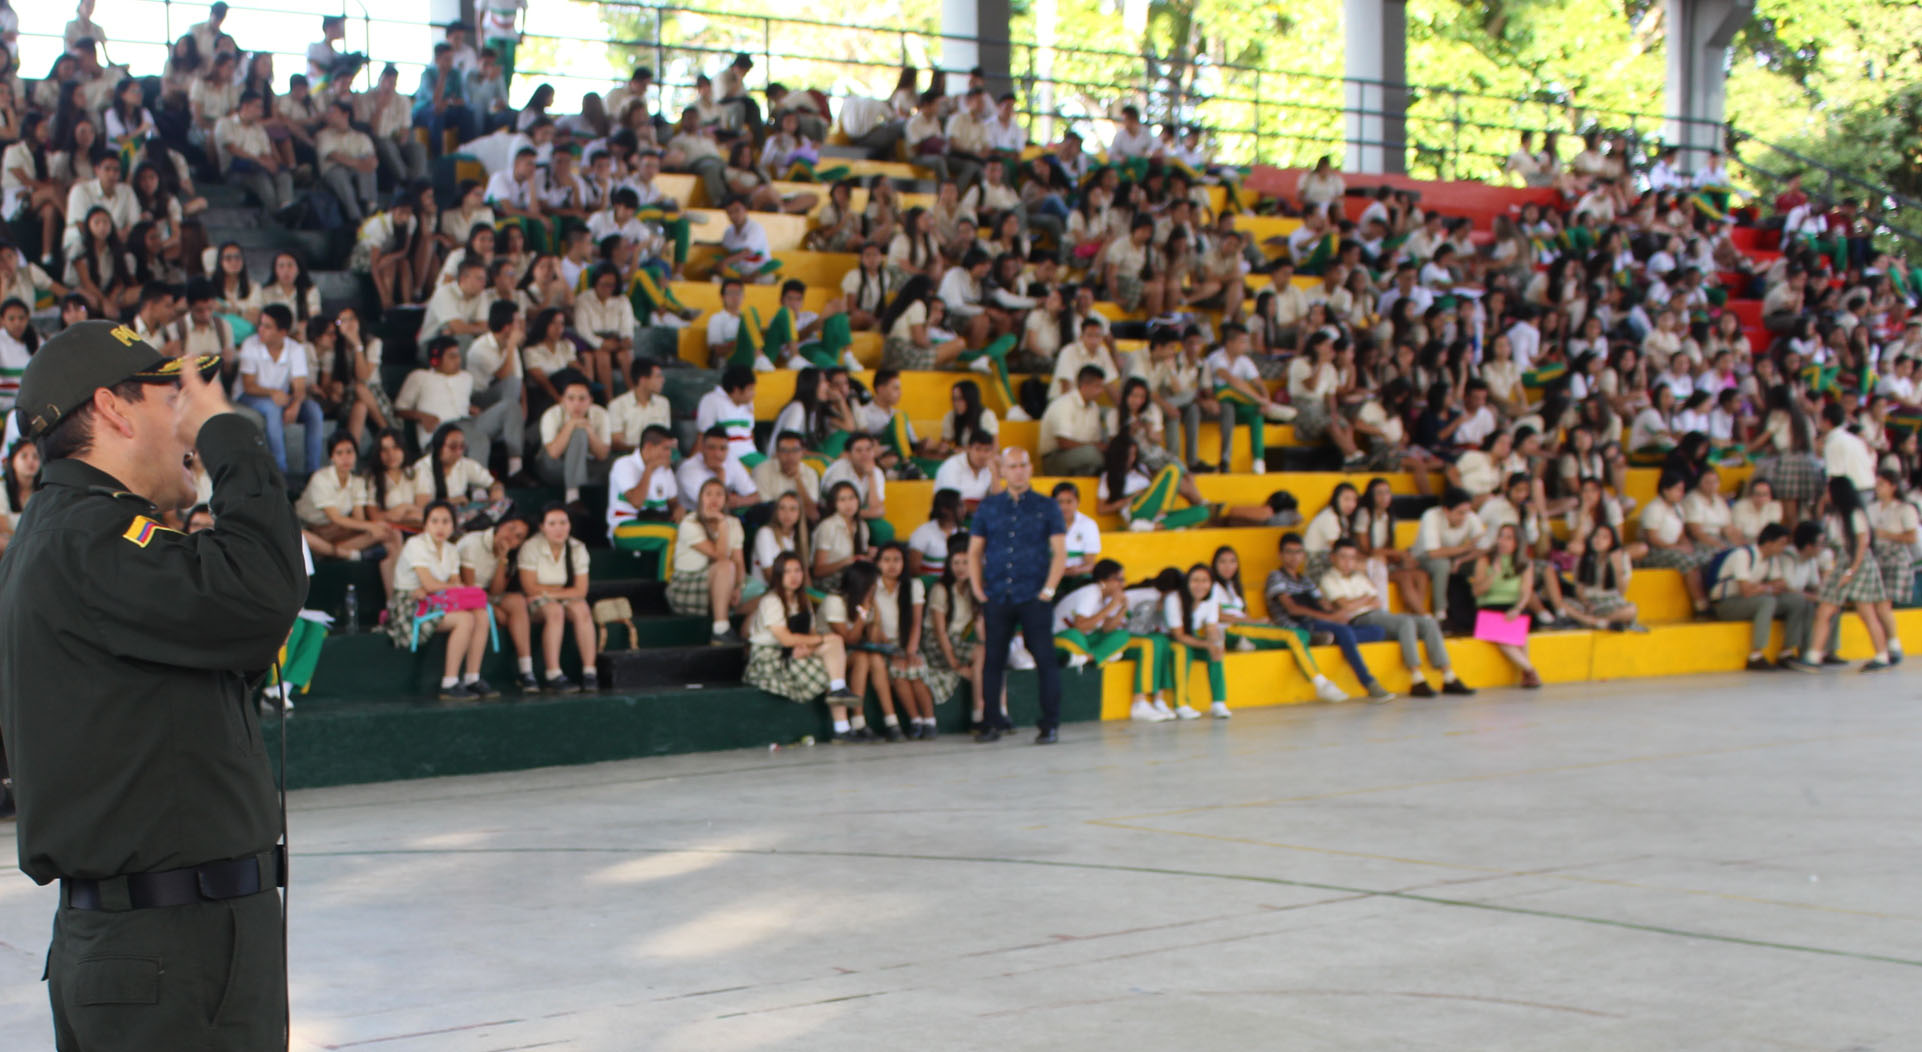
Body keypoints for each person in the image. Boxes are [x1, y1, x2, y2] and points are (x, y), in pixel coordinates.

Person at [0, 323, 302, 1048]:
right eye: (172, 396)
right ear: (112, 409)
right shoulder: (93, 539)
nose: (185, 420)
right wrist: (230, 435)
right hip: (173, 951)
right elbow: (263, 594)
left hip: (153, 945)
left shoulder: (66, 536)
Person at [966, 446, 1067, 744]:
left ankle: (1050, 723)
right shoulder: (989, 507)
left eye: (1023, 465)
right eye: (1012, 466)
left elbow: (1059, 552)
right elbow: (974, 551)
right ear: (1003, 470)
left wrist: (1048, 589)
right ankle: (992, 721)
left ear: (1030, 468)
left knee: (1044, 658)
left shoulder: (1047, 506)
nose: (1018, 471)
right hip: (998, 594)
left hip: (1034, 594)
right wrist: (977, 588)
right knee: (992, 659)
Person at [1322, 539, 1475, 697]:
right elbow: (1345, 606)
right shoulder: (1328, 579)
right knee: (1405, 622)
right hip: (1360, 620)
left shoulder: (1360, 578)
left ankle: (1448, 675)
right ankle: (1417, 678)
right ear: (1333, 557)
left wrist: (1358, 601)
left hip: (1379, 615)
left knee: (1428, 622)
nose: (1348, 562)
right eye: (1343, 557)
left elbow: (1376, 601)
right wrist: (1364, 600)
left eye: (1352, 558)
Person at [392, 499, 496, 698]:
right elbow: (431, 584)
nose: (440, 527)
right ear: (425, 524)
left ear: (454, 525)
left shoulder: (451, 550)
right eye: (435, 521)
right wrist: (444, 587)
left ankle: (472, 677)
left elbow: (451, 583)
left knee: (481, 614)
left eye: (446, 521)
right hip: (410, 602)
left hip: (438, 600)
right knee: (465, 619)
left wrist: (444, 587)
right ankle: (449, 683)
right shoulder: (416, 544)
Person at [1796, 477, 1894, 672]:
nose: (1826, 495)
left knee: (1866, 612)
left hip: (1858, 563)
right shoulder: (1836, 515)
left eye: (1828, 491)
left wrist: (1851, 570)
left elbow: (1862, 544)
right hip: (1843, 561)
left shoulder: (1855, 515)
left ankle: (1882, 655)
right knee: (1824, 609)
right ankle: (1814, 655)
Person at [744, 550, 862, 709]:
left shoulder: (803, 600)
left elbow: (810, 632)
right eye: (787, 571)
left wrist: (808, 648)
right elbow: (785, 639)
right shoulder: (771, 601)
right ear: (778, 575)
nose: (794, 576)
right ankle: (840, 712)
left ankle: (838, 692)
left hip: (795, 649)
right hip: (770, 657)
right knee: (831, 656)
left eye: (798, 570)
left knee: (835, 644)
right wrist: (822, 639)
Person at [1710, 523, 1813, 670]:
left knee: (1797, 601)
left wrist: (1761, 587)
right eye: (1781, 544)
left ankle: (1787, 652)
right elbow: (1746, 591)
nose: (1784, 548)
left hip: (1749, 600)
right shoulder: (1743, 555)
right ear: (1769, 543)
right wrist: (1768, 588)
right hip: (1727, 604)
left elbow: (1781, 583)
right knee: (1767, 601)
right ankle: (1756, 655)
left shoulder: (1771, 559)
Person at [519, 501, 598, 692]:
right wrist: (557, 594)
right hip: (537, 603)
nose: (559, 529)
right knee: (555, 611)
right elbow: (529, 588)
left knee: (582, 609)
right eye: (552, 523)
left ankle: (589, 671)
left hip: (553, 596)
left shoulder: (578, 548)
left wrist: (548, 592)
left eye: (563, 523)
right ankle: (553, 674)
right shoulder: (531, 547)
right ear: (542, 526)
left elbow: (581, 591)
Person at [234, 304, 323, 473]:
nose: (260, 329)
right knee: (272, 408)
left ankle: (313, 472)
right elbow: (248, 385)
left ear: (282, 333)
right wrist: (273, 393)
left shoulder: (295, 349)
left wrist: (295, 404)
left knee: (314, 410)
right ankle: (281, 473)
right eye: (261, 324)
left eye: (267, 327)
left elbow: (299, 385)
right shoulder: (250, 345)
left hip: (280, 398)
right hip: (249, 396)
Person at [457, 514, 539, 692]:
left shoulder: (508, 554)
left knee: (517, 601)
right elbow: (469, 589)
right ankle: (471, 677)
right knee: (499, 615)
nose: (511, 537)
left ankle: (526, 671)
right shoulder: (473, 543)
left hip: (485, 596)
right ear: (500, 524)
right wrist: (494, 610)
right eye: (511, 528)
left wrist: (502, 559)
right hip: (464, 596)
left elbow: (496, 591)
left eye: (519, 537)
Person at [670, 477, 748, 645]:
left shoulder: (733, 523)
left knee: (761, 594)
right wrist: (721, 524)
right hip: (687, 585)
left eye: (719, 494)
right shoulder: (690, 522)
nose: (713, 499)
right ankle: (721, 630)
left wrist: (738, 587)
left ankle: (747, 637)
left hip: (722, 582)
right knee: (724, 565)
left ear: (726, 500)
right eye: (708, 494)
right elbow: (719, 556)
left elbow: (739, 561)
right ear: (700, 498)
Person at [872, 542, 936, 739]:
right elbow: (875, 625)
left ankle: (930, 721)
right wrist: (892, 652)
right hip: (885, 644)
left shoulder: (914, 586)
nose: (892, 565)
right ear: (878, 563)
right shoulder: (872, 586)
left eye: (897, 560)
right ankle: (915, 719)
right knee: (899, 674)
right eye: (887, 560)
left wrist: (910, 651)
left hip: (909, 642)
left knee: (914, 671)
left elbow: (916, 622)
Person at [1471, 523, 1543, 688]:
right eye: (1501, 536)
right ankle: (1530, 670)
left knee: (1520, 634)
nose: (1503, 541)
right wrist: (1493, 575)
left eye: (1508, 538)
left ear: (1517, 543)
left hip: (1512, 606)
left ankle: (1527, 673)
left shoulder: (1524, 564)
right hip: (1490, 606)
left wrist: (1518, 608)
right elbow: (1477, 591)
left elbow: (1526, 591)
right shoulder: (1485, 560)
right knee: (1504, 639)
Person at [1410, 487, 1485, 628]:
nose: (1464, 517)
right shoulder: (1431, 516)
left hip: (1457, 558)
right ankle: (1440, 613)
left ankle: (1484, 607)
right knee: (1442, 564)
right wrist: (1464, 549)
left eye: (1466, 512)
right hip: (1424, 558)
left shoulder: (1470, 516)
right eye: (1460, 513)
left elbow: (1482, 545)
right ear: (1446, 510)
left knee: (1482, 561)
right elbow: (1432, 552)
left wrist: (1462, 559)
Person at [535, 374, 612, 505]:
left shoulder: (601, 414)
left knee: (614, 463)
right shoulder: (551, 415)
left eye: (582, 399)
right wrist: (571, 424)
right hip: (555, 466)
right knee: (578, 433)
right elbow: (553, 453)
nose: (577, 404)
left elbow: (603, 454)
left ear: (590, 400)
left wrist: (588, 429)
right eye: (571, 398)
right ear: (562, 400)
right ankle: (573, 497)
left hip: (587, 465)